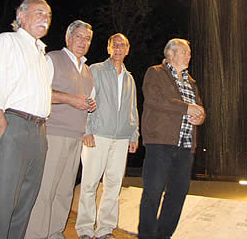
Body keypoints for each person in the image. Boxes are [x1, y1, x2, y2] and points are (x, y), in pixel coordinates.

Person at [0, 0, 52, 239]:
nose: (45, 18)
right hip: (13, 127)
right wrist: (4, 132)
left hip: (39, 132)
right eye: (39, 12)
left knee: (24, 205)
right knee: (2, 203)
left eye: (48, 15)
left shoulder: (42, 55)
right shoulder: (6, 42)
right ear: (21, 16)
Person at [25, 20, 97, 239]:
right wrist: (69, 99)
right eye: (78, 36)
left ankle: (55, 232)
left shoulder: (87, 71)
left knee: (65, 191)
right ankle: (37, 234)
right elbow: (38, 91)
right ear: (68, 38)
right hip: (53, 133)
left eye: (87, 39)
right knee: (46, 189)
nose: (82, 42)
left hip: (76, 138)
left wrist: (90, 105)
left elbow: (87, 102)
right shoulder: (52, 59)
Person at [138, 38, 206, 239]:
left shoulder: (191, 82)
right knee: (153, 192)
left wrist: (200, 117)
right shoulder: (155, 73)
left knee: (178, 194)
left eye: (189, 52)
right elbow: (155, 99)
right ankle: (147, 235)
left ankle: (163, 235)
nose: (189, 55)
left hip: (185, 146)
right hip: (160, 143)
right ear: (171, 54)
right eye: (185, 51)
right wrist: (187, 108)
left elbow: (199, 109)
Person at [75, 33, 139, 239]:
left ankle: (105, 229)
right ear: (108, 48)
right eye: (115, 45)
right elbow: (86, 101)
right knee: (89, 184)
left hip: (121, 139)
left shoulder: (129, 78)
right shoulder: (96, 70)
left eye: (122, 45)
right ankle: (85, 229)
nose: (118, 48)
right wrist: (86, 130)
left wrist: (134, 134)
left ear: (128, 50)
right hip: (98, 135)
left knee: (113, 185)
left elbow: (133, 109)